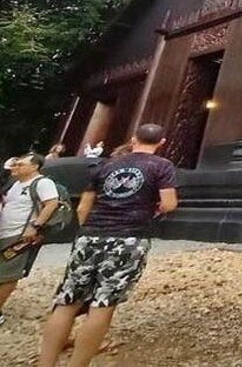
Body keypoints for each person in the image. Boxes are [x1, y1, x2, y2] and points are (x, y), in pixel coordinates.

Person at [38, 123, 178, 366]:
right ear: (162, 142)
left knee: (68, 300)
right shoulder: (162, 166)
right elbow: (169, 204)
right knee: (103, 303)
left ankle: (45, 363)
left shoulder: (106, 165)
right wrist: (151, 212)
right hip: (128, 237)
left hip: (91, 235)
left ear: (133, 138)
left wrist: (88, 230)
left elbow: (83, 206)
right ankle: (78, 364)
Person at [0, 153, 60, 327]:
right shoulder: (15, 184)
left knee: (9, 273)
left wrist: (36, 225)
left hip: (20, 234)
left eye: (20, 164)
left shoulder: (43, 183)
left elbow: (51, 203)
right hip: (5, 230)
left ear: (34, 166)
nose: (16, 167)